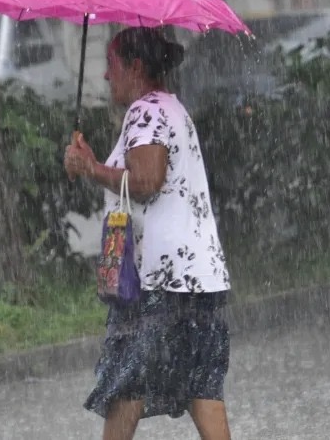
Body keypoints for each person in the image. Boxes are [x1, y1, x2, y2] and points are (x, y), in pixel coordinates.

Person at [64, 27, 233, 440]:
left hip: (159, 279)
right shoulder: (170, 108)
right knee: (201, 387)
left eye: (112, 65)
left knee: (127, 384)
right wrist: (96, 166)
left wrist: (90, 170)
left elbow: (145, 180)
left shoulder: (147, 112)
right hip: (196, 276)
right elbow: (141, 177)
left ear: (135, 67)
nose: (107, 76)